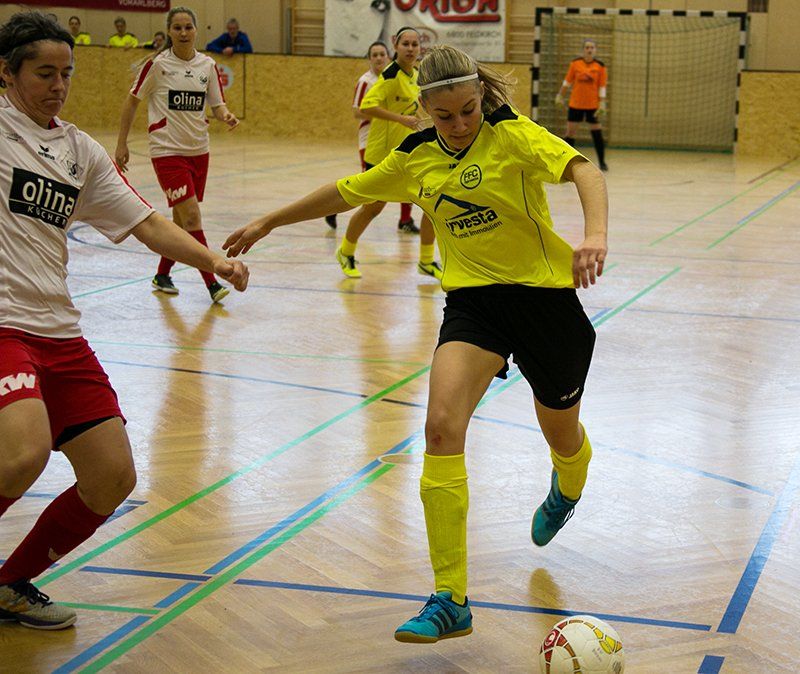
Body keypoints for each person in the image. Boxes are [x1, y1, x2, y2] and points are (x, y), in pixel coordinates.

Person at [223, 43, 607, 644]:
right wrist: (270, 219)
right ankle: (451, 598)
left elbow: (585, 169)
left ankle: (569, 478)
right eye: (445, 114)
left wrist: (595, 235)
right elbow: (347, 190)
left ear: (481, 97)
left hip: (545, 302)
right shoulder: (415, 156)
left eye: (469, 110)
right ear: (425, 108)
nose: (459, 124)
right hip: (475, 306)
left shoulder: (511, 134)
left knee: (561, 431)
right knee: (441, 428)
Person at [0, 11, 249, 630]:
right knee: (24, 453)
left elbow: (148, 222)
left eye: (66, 73)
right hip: (3, 325)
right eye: (44, 73)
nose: (58, 85)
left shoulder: (78, 150)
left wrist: (212, 260)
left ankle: (8, 585)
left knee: (112, 477)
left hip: (59, 331)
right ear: (6, 73)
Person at [115, 6, 240, 303]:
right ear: (169, 32)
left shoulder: (207, 65)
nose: (183, 33)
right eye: (177, 28)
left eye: (188, 27)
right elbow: (132, 102)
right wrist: (122, 143)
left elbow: (217, 104)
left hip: (199, 150)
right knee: (192, 216)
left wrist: (225, 115)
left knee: (181, 221)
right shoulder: (157, 65)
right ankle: (212, 281)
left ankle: (162, 275)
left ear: (196, 30)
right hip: (167, 152)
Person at [334, 26, 441, 281]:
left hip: (409, 152)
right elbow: (366, 106)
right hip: (381, 153)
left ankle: (427, 261)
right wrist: (400, 119)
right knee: (372, 208)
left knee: (433, 203)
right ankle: (345, 252)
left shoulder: (416, 75)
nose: (411, 49)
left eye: (415, 44)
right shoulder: (390, 75)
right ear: (396, 46)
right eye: (406, 44)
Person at [324, 40, 391, 230]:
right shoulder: (365, 82)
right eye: (374, 55)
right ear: (369, 59)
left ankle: (405, 219)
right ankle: (333, 206)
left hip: (389, 137)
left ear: (388, 57)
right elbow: (357, 112)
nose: (379, 58)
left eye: (382, 54)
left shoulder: (392, 79)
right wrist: (386, 114)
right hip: (370, 139)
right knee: (367, 185)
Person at [555, 39, 608, 171]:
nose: (589, 50)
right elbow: (567, 82)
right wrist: (560, 96)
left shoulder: (600, 66)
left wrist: (602, 103)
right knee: (570, 133)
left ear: (595, 50)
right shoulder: (575, 64)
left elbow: (602, 87)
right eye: (587, 47)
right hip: (576, 104)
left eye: (592, 47)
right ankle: (565, 162)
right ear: (583, 50)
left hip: (592, 106)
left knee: (597, 133)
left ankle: (602, 162)